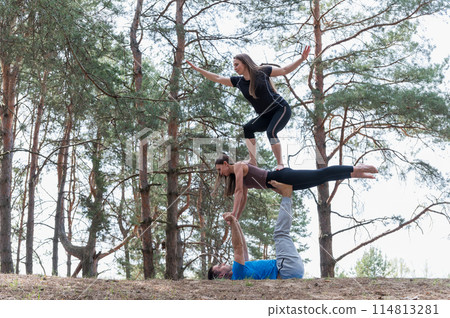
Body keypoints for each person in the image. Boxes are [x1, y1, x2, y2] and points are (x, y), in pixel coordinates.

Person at [186, 46, 311, 170]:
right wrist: (199, 70)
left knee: (271, 132)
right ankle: (253, 161)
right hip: (265, 115)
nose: (234, 68)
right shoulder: (238, 82)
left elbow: (284, 70)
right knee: (248, 128)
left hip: (280, 109)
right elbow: (218, 78)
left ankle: (280, 164)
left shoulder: (262, 71)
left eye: (236, 65)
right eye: (233, 66)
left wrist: (301, 59)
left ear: (245, 63)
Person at [214, 154, 378, 220]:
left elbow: (239, 192)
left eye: (219, 170)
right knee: (320, 179)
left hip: (280, 176)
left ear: (226, 163)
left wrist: (234, 214)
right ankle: (354, 173)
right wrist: (237, 217)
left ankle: (356, 168)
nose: (220, 174)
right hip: (280, 185)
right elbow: (243, 197)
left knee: (319, 174)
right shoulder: (237, 176)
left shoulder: (238, 166)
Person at [208, 180, 304, 280]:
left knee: (281, 233)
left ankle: (286, 196)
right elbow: (238, 247)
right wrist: (232, 222)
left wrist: (236, 223)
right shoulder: (237, 273)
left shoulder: (242, 272)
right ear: (221, 275)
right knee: (280, 233)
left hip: (289, 269)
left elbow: (243, 248)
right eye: (220, 266)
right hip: (286, 269)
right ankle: (286, 195)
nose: (223, 263)